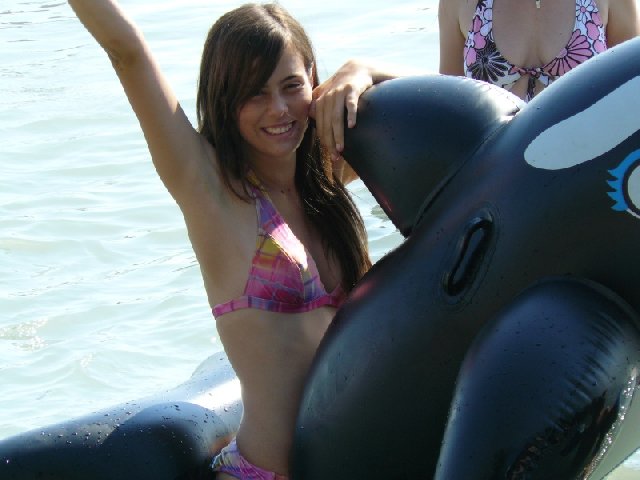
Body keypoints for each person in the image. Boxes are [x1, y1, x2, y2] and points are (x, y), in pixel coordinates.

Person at [67, 1, 371, 479]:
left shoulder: (328, 178)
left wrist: (361, 70)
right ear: (224, 98)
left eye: (291, 85)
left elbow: (460, 99)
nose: (278, 108)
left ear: (313, 78)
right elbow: (127, 50)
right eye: (254, 93)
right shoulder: (213, 191)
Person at [312, 0, 640, 161]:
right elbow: (449, 98)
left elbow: (632, 94)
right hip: (497, 176)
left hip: (588, 170)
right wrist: (368, 68)